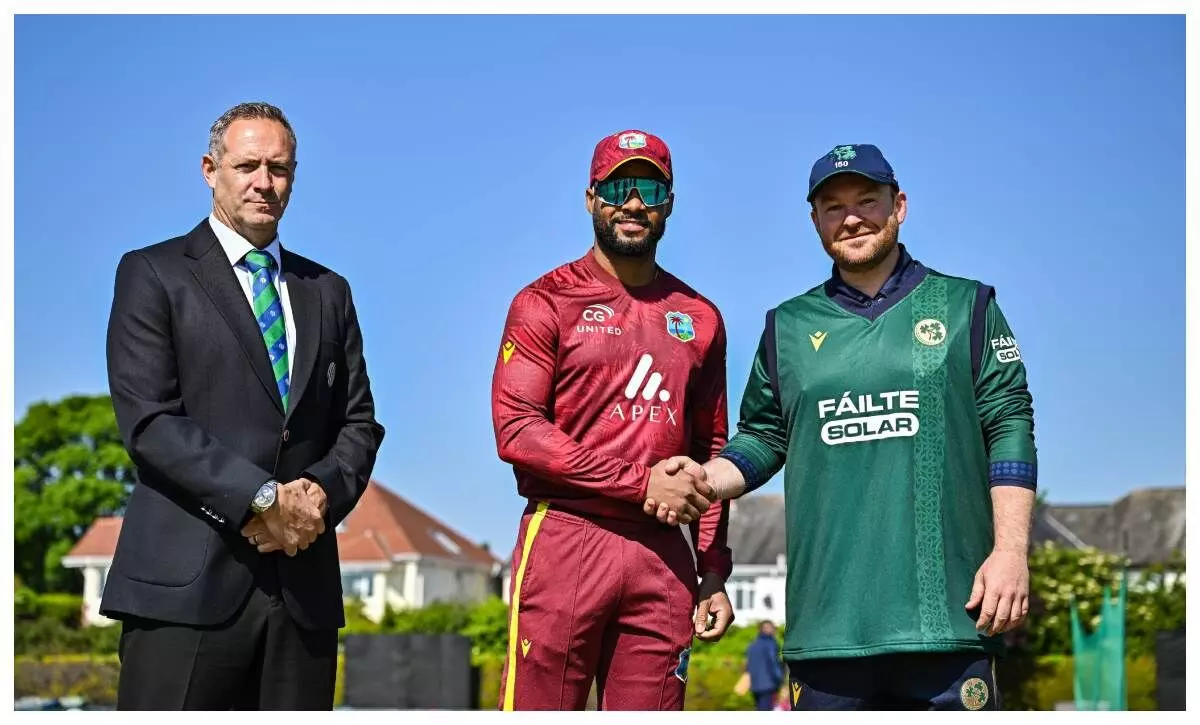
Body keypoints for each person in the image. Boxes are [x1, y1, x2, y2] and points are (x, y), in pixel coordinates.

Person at [648, 143, 1037, 710]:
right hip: (827, 633)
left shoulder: (966, 306)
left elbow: (1010, 424)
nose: (851, 218)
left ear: (899, 206)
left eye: (866, 201)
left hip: (950, 623)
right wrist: (701, 480)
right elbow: (764, 437)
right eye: (834, 207)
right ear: (815, 221)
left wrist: (1011, 552)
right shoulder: (787, 326)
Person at [103, 101, 385, 710]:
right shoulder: (152, 273)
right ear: (211, 170)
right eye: (248, 166)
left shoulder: (328, 291)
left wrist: (315, 498)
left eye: (279, 169)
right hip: (184, 590)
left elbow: (359, 423)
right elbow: (150, 422)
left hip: (302, 594)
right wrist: (261, 499)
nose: (265, 182)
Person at [490, 129, 735, 710]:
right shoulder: (544, 300)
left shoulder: (700, 317)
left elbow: (712, 449)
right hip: (567, 533)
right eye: (619, 188)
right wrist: (639, 483)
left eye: (650, 189)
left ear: (670, 203)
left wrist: (713, 569)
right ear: (590, 198)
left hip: (662, 552)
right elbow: (517, 429)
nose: (634, 203)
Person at [745, 620, 785, 710]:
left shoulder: (752, 645)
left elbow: (748, 665)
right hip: (768, 685)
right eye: (772, 628)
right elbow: (774, 663)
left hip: (754, 684)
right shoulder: (771, 643)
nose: (774, 630)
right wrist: (780, 680)